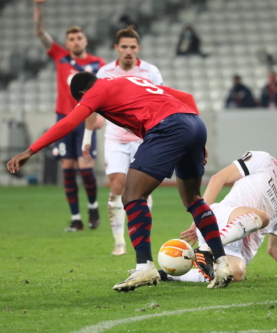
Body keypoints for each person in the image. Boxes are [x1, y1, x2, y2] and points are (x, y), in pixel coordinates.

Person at [6, 73, 234, 291]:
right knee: (193, 199)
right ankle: (222, 264)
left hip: (168, 127)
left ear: (83, 92)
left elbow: (69, 122)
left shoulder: (96, 91)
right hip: (194, 124)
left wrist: (30, 151)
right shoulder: (129, 81)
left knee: (132, 195)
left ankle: (144, 266)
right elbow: (187, 98)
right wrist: (196, 135)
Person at [161, 132, 277, 283]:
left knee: (235, 274)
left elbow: (275, 249)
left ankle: (169, 275)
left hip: (237, 249)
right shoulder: (263, 160)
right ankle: (207, 249)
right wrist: (199, 217)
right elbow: (218, 179)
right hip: (220, 219)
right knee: (263, 217)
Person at [81, 26, 162, 256]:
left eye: (132, 47)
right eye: (124, 46)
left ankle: (141, 236)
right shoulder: (105, 72)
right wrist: (87, 138)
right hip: (115, 138)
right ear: (116, 48)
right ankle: (119, 241)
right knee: (118, 185)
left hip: (142, 138)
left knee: (142, 189)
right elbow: (91, 106)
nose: (128, 51)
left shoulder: (151, 72)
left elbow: (161, 100)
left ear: (139, 48)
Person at [34, 0, 106, 232]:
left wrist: (103, 116)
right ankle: (76, 218)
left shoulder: (97, 63)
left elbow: (107, 91)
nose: (76, 41)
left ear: (85, 40)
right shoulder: (60, 56)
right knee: (67, 168)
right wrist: (38, 8)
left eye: (79, 38)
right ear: (67, 43)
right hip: (64, 118)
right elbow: (40, 32)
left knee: (86, 168)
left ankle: (93, 209)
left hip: (86, 119)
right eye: (72, 39)